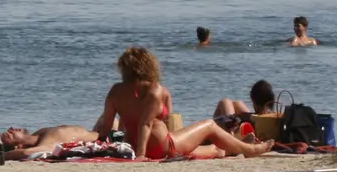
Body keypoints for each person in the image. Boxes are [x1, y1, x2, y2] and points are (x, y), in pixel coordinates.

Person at [93, 46, 269, 160]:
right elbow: (145, 124)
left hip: (133, 143)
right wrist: (140, 154)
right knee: (209, 125)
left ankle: (235, 146)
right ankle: (250, 150)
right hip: (162, 146)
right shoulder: (154, 89)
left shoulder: (115, 91)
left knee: (214, 150)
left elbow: (106, 127)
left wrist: (100, 146)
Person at [0, 123, 100, 161]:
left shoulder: (39, 134)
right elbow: (28, 152)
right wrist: (4, 156)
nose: (11, 128)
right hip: (108, 137)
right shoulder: (47, 141)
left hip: (99, 132)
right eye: (10, 134)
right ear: (18, 147)